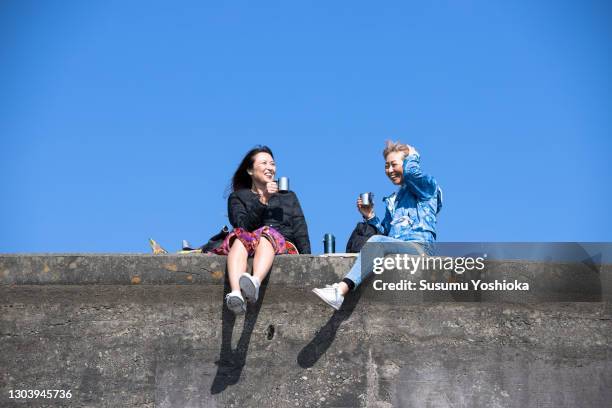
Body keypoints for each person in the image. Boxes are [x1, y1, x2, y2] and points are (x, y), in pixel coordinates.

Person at [312, 140, 442, 310]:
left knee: (377, 241)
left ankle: (340, 291)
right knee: (377, 241)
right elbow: (386, 234)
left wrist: (413, 156)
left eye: (394, 164)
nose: (389, 170)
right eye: (386, 166)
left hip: (420, 249)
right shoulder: (394, 200)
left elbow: (411, 173)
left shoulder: (428, 188)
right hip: (399, 249)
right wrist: (370, 216)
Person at [215, 145, 311, 314]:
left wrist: (308, 258)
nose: (270, 168)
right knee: (239, 237)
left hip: (282, 245)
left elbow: (300, 228)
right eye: (264, 163)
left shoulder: (288, 196)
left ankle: (255, 283)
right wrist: (263, 198)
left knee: (267, 234)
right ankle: (236, 292)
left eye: (272, 164)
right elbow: (242, 225)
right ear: (250, 170)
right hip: (249, 243)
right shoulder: (237, 197)